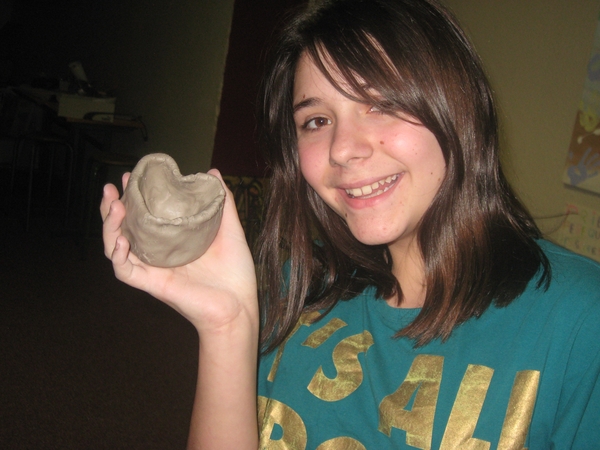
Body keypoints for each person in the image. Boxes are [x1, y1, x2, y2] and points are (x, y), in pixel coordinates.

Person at [101, 0, 600, 448]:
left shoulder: (580, 321)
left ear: (458, 108)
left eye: (381, 105)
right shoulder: (298, 286)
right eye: (316, 121)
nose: (342, 149)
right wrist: (228, 325)